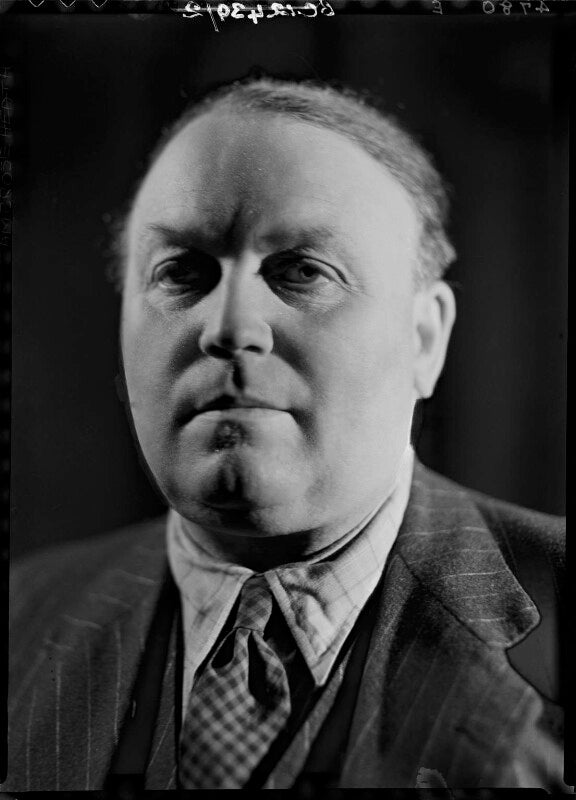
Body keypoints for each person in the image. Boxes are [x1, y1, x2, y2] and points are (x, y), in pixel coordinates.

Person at [3, 77, 566, 792]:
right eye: (181, 272)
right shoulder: (20, 617)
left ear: (425, 338)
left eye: (302, 271)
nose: (230, 327)